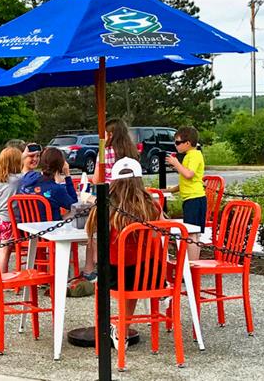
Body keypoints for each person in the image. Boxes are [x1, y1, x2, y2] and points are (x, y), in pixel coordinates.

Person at [85, 156, 162, 349]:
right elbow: (158, 233)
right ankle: (123, 330)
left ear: (113, 181)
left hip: (114, 276)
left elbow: (92, 233)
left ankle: (119, 331)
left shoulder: (106, 207)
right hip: (150, 276)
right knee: (134, 271)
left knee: (122, 272)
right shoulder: (152, 206)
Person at [83, 118, 140, 282]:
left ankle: (91, 267)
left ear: (110, 134)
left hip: (110, 196)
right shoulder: (132, 151)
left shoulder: (104, 151)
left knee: (96, 231)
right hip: (130, 197)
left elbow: (96, 179)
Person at [166, 126, 205, 260]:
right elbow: (186, 180)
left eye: (178, 142)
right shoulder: (190, 156)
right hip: (191, 198)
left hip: (194, 198)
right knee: (193, 232)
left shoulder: (194, 155)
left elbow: (189, 174)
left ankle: (192, 264)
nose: (175, 145)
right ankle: (193, 263)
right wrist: (169, 190)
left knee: (191, 233)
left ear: (187, 143)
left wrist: (176, 163)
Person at [17, 147, 76, 222]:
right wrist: (67, 175)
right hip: (49, 227)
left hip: (26, 227)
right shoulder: (56, 189)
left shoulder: (27, 176)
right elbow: (74, 205)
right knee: (76, 213)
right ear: (62, 165)